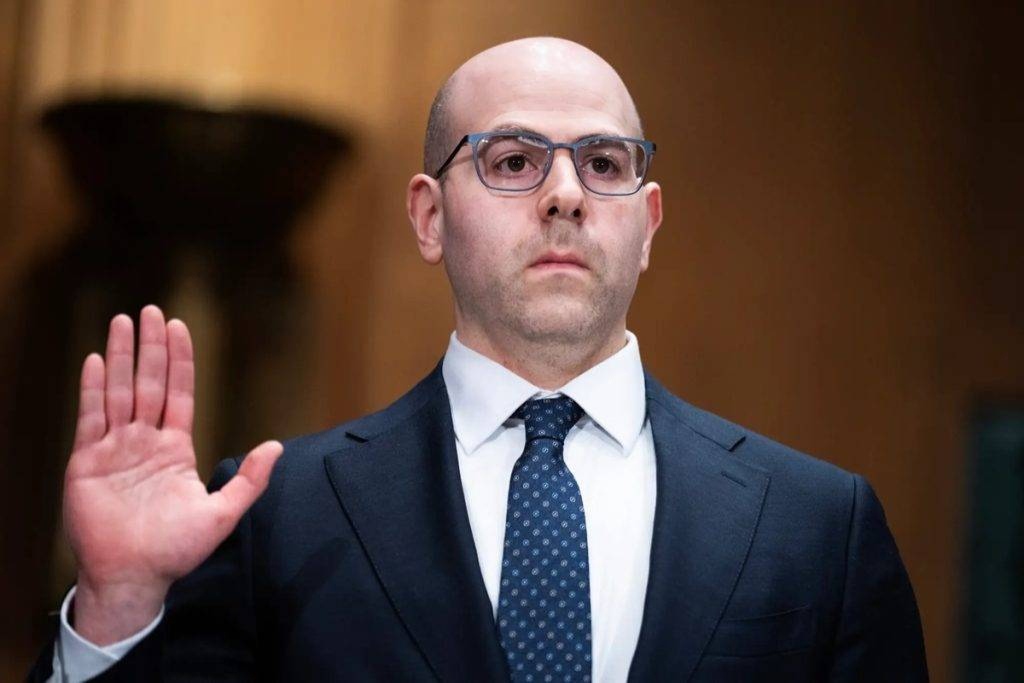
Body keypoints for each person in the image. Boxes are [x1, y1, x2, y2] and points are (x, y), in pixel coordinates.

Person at [31, 37, 927, 682]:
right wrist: (118, 607)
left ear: (647, 224)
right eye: (514, 160)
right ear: (429, 217)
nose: (566, 195)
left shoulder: (818, 526)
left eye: (603, 163)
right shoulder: (278, 517)